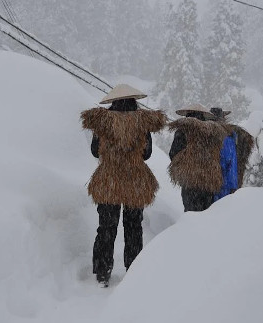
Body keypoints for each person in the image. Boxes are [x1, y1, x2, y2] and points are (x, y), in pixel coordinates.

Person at [81, 84, 166, 287]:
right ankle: (133, 271)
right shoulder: (143, 122)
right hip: (135, 181)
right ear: (134, 101)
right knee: (134, 228)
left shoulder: (102, 122)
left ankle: (102, 273)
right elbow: (147, 154)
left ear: (114, 101)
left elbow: (95, 151)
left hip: (108, 180)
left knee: (106, 228)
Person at [167, 104, 227, 212]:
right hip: (209, 180)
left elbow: (173, 154)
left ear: (187, 115)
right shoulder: (214, 132)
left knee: (190, 214)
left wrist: (185, 163)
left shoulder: (183, 130)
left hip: (190, 181)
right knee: (206, 214)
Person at [210, 107, 255, 195]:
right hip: (224, 182)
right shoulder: (234, 134)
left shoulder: (225, 137)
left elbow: (228, 162)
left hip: (220, 184)